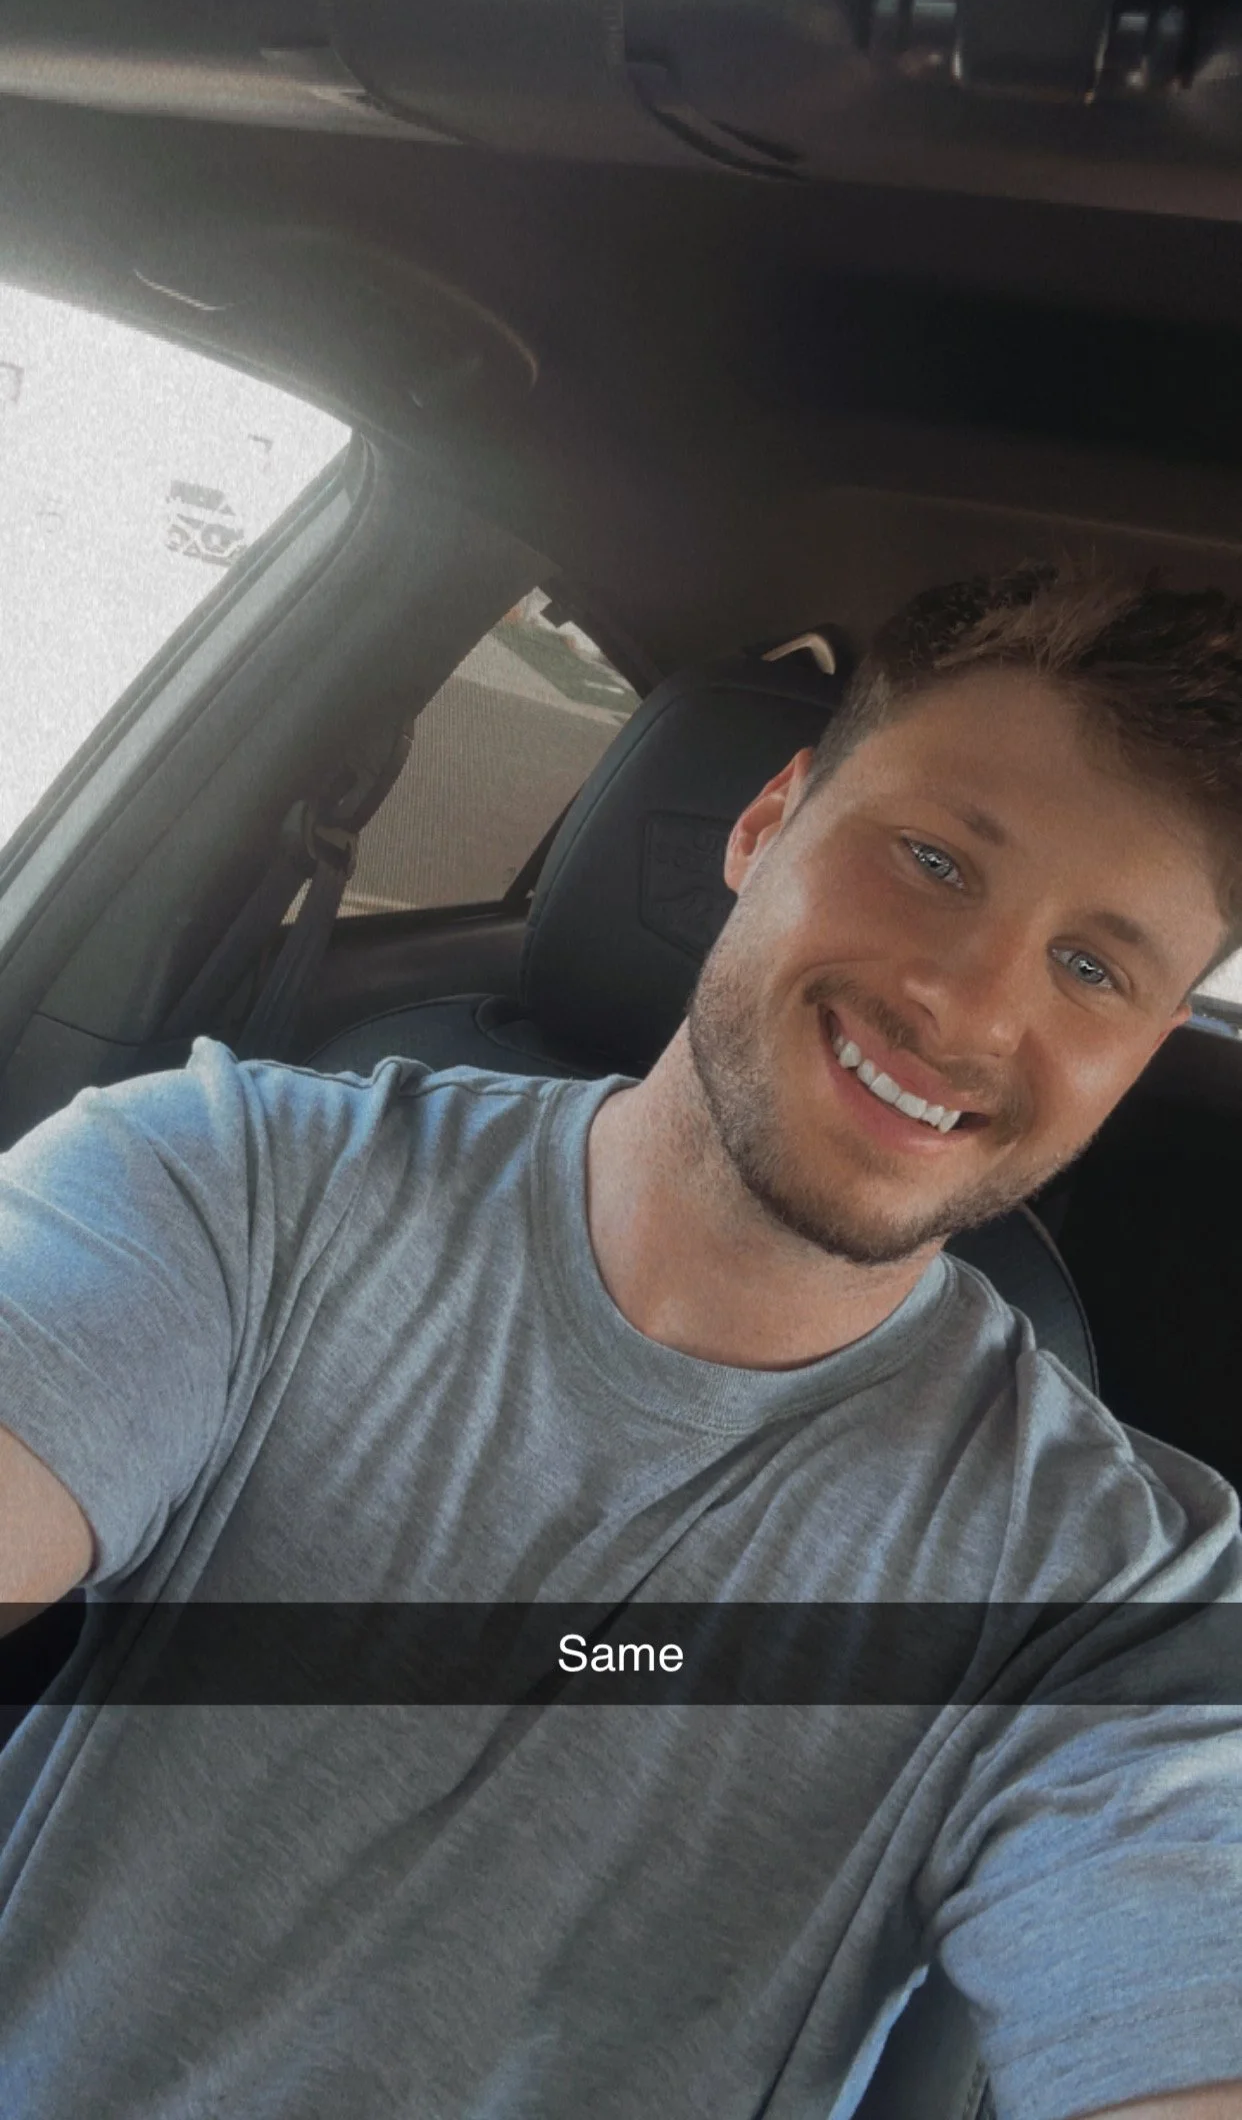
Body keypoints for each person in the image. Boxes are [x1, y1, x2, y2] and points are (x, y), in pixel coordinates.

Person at [0, 564, 1240, 2120]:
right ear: (763, 821)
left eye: (1091, 968)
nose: (969, 1007)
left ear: (1138, 1052)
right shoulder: (230, 1184)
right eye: (931, 858)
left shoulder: (1116, 1587)